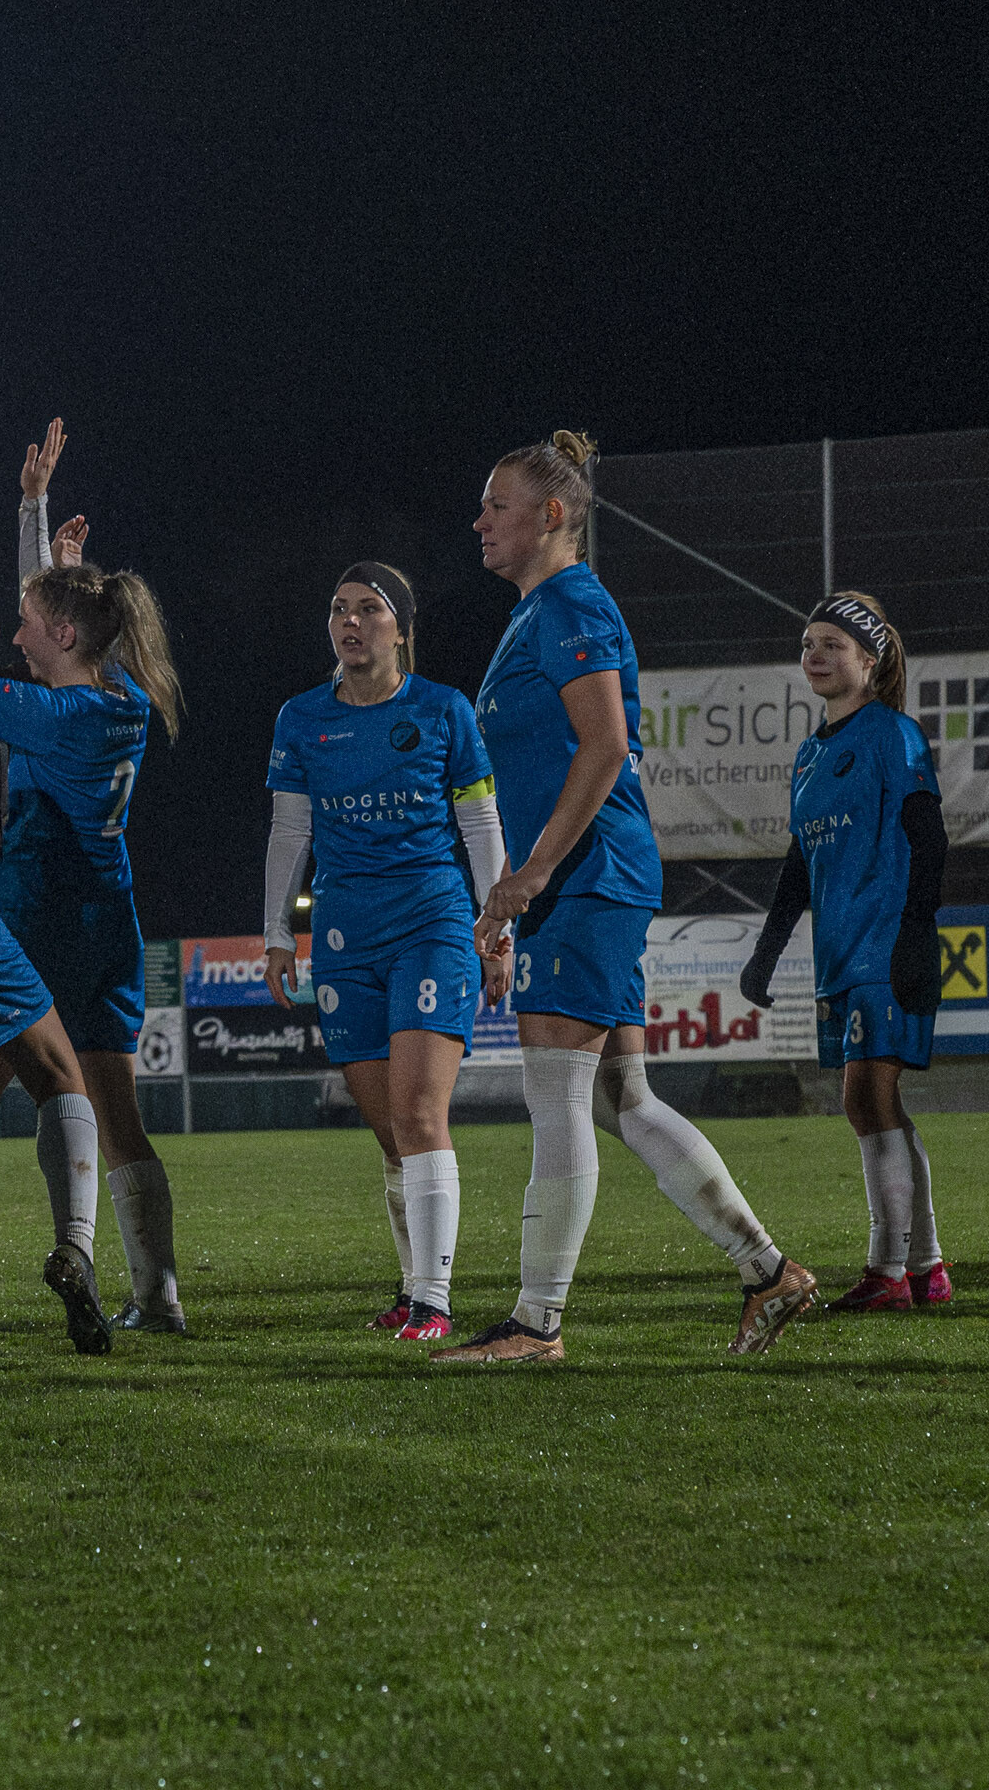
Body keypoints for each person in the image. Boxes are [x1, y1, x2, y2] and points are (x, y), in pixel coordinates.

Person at [434, 431, 816, 1364]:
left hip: (586, 878)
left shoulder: (571, 603)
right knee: (620, 1096)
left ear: (551, 515)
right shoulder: (537, 612)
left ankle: (537, 1324)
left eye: (496, 504)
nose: (479, 520)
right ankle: (767, 1272)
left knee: (556, 1092)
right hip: (583, 879)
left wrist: (532, 875)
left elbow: (605, 746)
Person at [0, 443, 186, 1348]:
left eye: (30, 626)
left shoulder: (49, 714)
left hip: (35, 916)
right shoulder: (123, 698)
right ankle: (158, 1297)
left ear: (66, 637)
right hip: (109, 921)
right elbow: (61, 612)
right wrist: (35, 515)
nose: (16, 634)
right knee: (117, 1117)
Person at [260, 564, 512, 1342]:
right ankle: (411, 1288)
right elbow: (290, 831)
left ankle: (434, 1302)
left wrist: (498, 929)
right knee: (389, 1131)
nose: (351, 622)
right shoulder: (301, 718)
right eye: (340, 609)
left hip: (433, 924)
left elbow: (480, 825)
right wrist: (277, 934)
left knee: (419, 1114)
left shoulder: (443, 710)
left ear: (401, 629)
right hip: (345, 936)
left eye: (370, 610)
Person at [741, 594, 948, 1311]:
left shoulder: (894, 734)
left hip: (884, 948)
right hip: (839, 955)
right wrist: (767, 952)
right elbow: (799, 864)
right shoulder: (810, 754)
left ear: (869, 659)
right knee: (874, 1105)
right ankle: (925, 1268)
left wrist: (916, 934)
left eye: (832, 644)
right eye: (808, 644)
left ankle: (887, 1274)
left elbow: (929, 837)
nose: (816, 656)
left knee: (868, 1099)